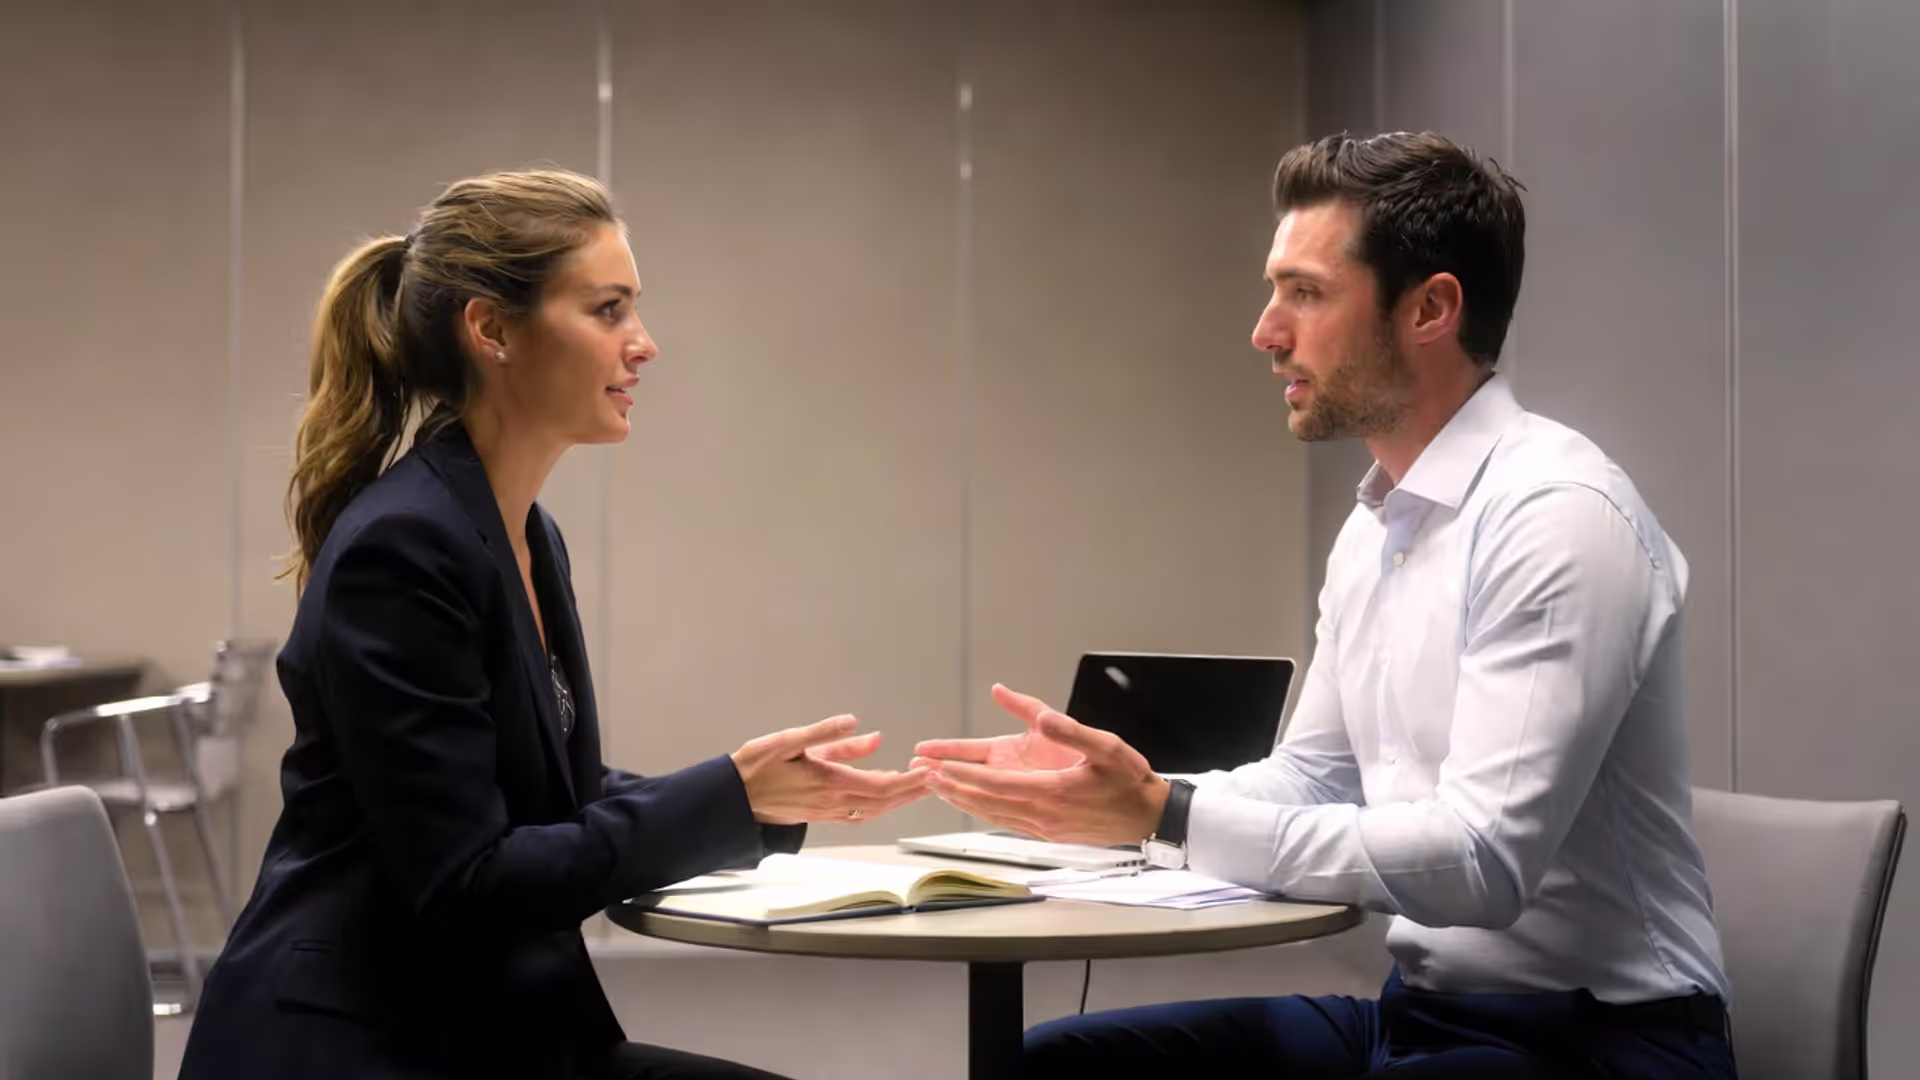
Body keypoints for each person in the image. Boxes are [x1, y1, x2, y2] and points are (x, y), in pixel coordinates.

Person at [913, 132, 1738, 1078]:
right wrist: (1118, 799)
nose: (1267, 331)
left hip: (1607, 1039)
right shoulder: (1379, 524)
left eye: (1305, 292)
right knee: (1051, 1065)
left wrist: (1166, 814)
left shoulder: (1559, 520)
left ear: (1430, 308)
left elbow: (1482, 863)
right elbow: (1313, 779)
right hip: (1424, 1016)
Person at [178, 169, 928, 1080]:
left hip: (482, 1025)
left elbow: (549, 793)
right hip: (364, 1039)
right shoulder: (405, 547)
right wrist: (727, 794)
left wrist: (759, 803)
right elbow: (470, 880)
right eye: (608, 310)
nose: (643, 345)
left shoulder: (521, 531)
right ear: (492, 329)